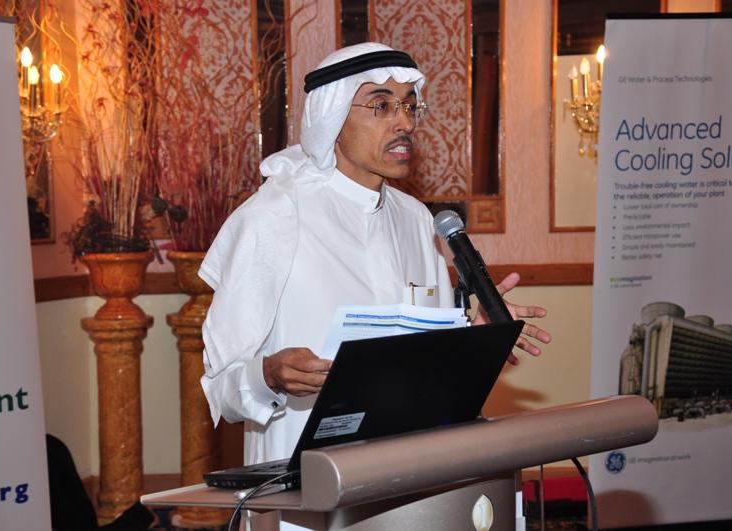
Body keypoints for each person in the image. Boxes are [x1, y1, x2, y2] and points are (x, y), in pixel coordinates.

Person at [198, 41, 551, 474]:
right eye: (382, 106)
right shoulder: (274, 216)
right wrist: (268, 374)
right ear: (332, 118)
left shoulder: (417, 219)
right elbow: (220, 388)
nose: (405, 122)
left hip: (410, 477)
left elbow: (428, 364)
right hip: (306, 486)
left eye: (410, 106)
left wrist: (476, 337)